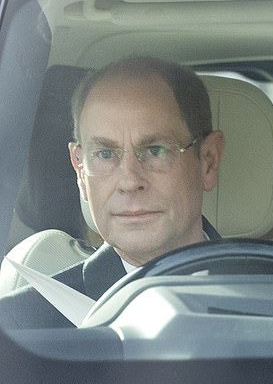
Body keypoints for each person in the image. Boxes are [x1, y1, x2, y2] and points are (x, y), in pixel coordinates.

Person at [0, 57, 224, 328]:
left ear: (208, 161)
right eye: (105, 154)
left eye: (156, 150)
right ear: (80, 170)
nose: (129, 181)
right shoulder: (22, 325)